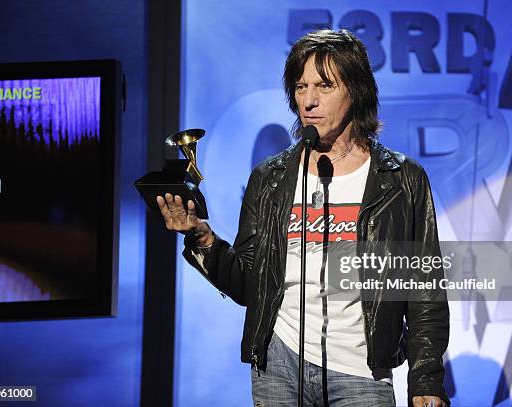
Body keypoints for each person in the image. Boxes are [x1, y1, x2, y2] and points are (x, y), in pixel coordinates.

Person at [157, 29, 450, 407]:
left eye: (325, 86)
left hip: (362, 371)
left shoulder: (400, 179)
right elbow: (249, 284)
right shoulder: (271, 177)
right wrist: (202, 239)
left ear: (356, 90)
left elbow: (423, 288)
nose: (309, 100)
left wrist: (425, 378)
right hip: (279, 366)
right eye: (300, 87)